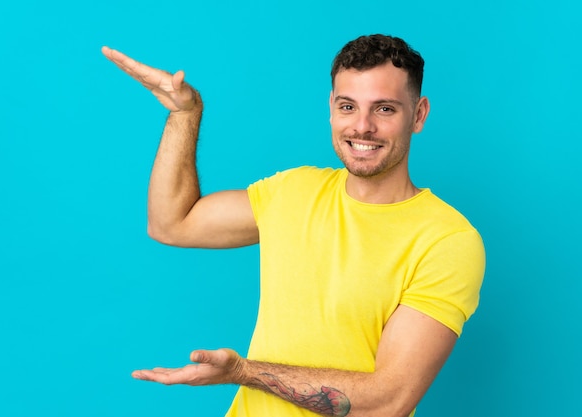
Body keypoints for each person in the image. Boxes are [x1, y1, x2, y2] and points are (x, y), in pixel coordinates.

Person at [102, 34, 485, 417]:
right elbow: (172, 223)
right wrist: (184, 115)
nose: (362, 126)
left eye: (384, 109)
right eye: (348, 106)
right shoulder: (294, 191)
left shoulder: (447, 239)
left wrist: (242, 372)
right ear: (331, 109)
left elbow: (388, 402)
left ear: (418, 115)